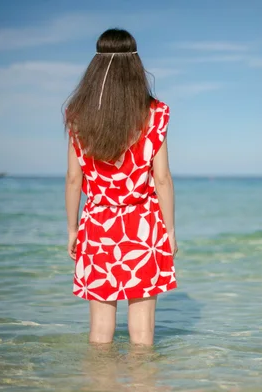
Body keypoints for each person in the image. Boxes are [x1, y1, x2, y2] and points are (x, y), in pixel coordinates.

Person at [63, 28, 177, 346]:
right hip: (144, 224)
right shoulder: (155, 114)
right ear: (136, 66)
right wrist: (170, 230)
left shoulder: (78, 116)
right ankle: (145, 390)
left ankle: (100, 391)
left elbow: (74, 180)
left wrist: (72, 229)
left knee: (100, 333)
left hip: (97, 225)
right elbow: (163, 178)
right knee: (142, 334)